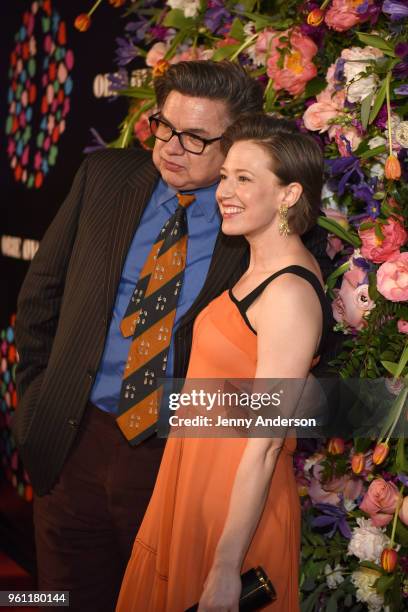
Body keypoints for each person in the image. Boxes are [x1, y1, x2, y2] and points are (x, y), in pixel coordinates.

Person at [13, 61, 330, 611]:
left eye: (195, 138)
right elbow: (42, 294)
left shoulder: (253, 227)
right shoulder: (104, 177)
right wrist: (36, 403)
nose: (170, 147)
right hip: (72, 439)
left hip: (173, 463)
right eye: (163, 125)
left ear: (235, 142)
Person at [116, 114, 332, 612]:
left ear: (289, 195)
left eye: (244, 178)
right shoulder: (257, 266)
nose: (224, 191)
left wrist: (224, 567)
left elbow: (265, 444)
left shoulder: (289, 295)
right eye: (226, 176)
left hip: (234, 517)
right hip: (197, 487)